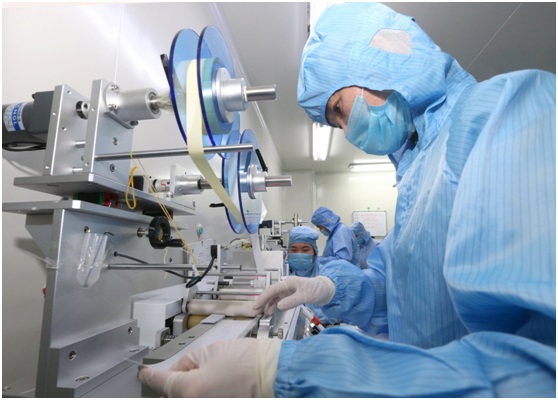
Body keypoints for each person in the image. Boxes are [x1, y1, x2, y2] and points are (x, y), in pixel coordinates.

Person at [138, 3, 556, 397]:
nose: (345, 129)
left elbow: (540, 368)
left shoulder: (505, 113)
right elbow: (397, 292)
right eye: (335, 123)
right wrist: (328, 287)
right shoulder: (416, 174)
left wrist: (286, 372)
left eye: (338, 108)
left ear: (379, 59)